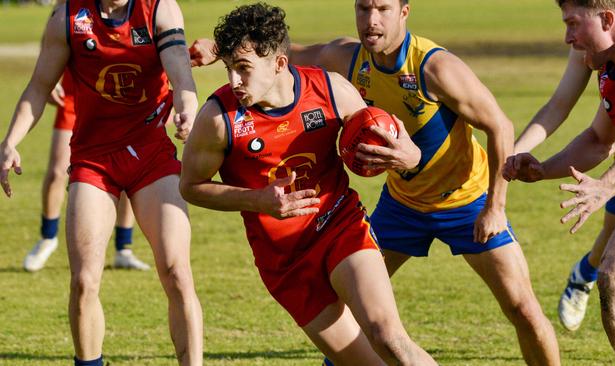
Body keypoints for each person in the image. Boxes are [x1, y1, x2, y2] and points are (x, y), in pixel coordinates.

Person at [276, 0, 561, 364]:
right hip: (402, 206)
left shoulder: (435, 66)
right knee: (350, 312)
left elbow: (500, 125)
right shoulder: (346, 57)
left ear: (404, 12)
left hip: (467, 201)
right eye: (364, 9)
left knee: (522, 309)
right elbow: (287, 55)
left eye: (383, 9)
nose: (372, 20)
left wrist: (495, 207)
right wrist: (222, 48)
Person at [180, 3, 437, 365]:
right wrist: (258, 200)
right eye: (229, 69)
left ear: (280, 64)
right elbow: (190, 187)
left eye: (243, 69)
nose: (234, 81)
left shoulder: (330, 91)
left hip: (339, 226)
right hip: (285, 263)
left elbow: (377, 135)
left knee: (388, 337)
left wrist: (409, 156)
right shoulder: (219, 120)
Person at [0, 0, 203, 364]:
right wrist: (10, 142)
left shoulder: (159, 8)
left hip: (151, 153)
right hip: (95, 159)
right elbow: (38, 86)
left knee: (176, 271)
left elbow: (181, 75)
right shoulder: (66, 16)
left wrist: (187, 107)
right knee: (84, 281)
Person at [504, 0, 615, 363]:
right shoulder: (608, 64)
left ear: (606, 19)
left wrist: (606, 186)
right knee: (614, 278)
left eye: (573, 24)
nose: (567, 37)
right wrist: (542, 169)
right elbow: (599, 140)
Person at [24, 67, 150, 272]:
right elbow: (52, 45)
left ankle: (123, 248)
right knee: (57, 171)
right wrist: (51, 79)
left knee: (129, 169)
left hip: (120, 100)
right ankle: (48, 238)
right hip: (75, 97)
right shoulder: (71, 32)